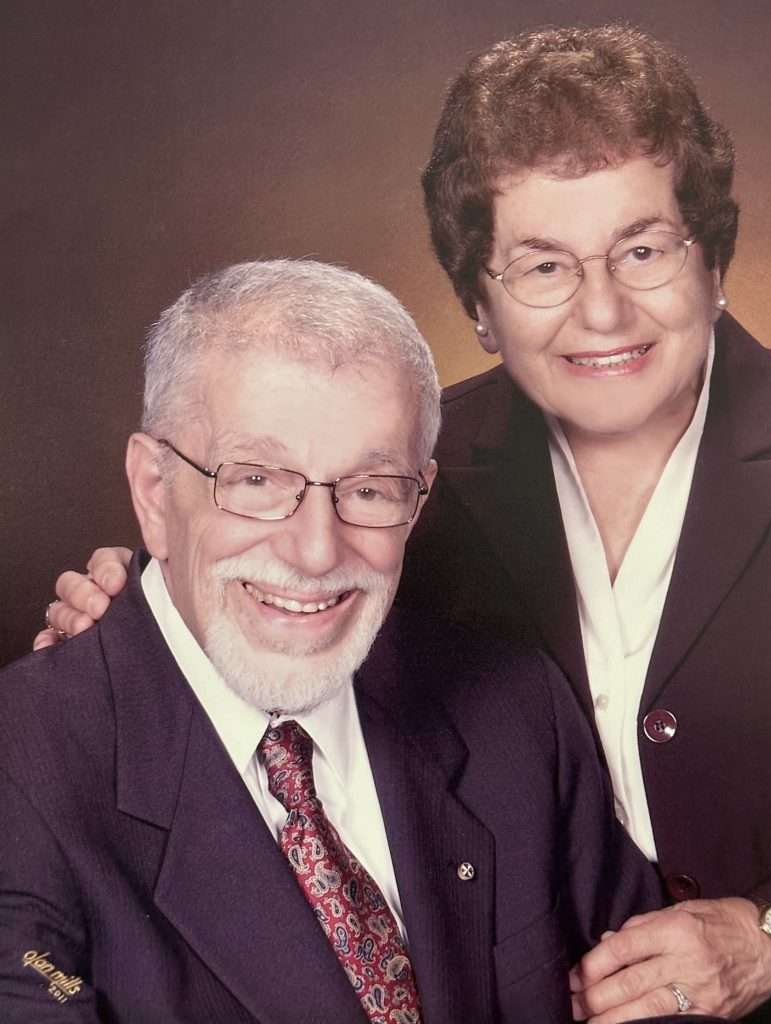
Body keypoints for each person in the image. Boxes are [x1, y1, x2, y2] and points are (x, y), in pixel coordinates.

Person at [37, 25, 771, 1024]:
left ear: (715, 260)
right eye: (543, 266)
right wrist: (137, 613)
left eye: (644, 250)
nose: (603, 311)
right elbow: (248, 594)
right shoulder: (386, 476)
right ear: (480, 304)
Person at [3, 259, 726, 1024]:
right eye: (256, 481)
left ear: (418, 500)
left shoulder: (513, 708)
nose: (317, 551)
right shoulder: (22, 772)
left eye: (371, 489)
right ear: (154, 491)